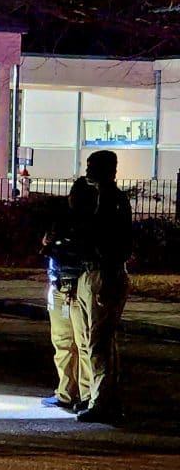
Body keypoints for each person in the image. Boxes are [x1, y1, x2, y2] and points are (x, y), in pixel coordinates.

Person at [75, 150, 132, 424]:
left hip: (103, 275)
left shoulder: (110, 200)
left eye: (92, 166)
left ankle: (102, 402)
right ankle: (107, 397)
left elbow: (106, 239)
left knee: (98, 342)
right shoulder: (107, 198)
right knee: (101, 340)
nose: (87, 170)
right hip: (98, 273)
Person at [40, 178, 97, 413]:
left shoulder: (90, 225)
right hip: (59, 286)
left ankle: (84, 395)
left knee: (82, 344)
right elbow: (46, 247)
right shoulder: (62, 222)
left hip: (76, 287)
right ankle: (66, 393)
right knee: (64, 343)